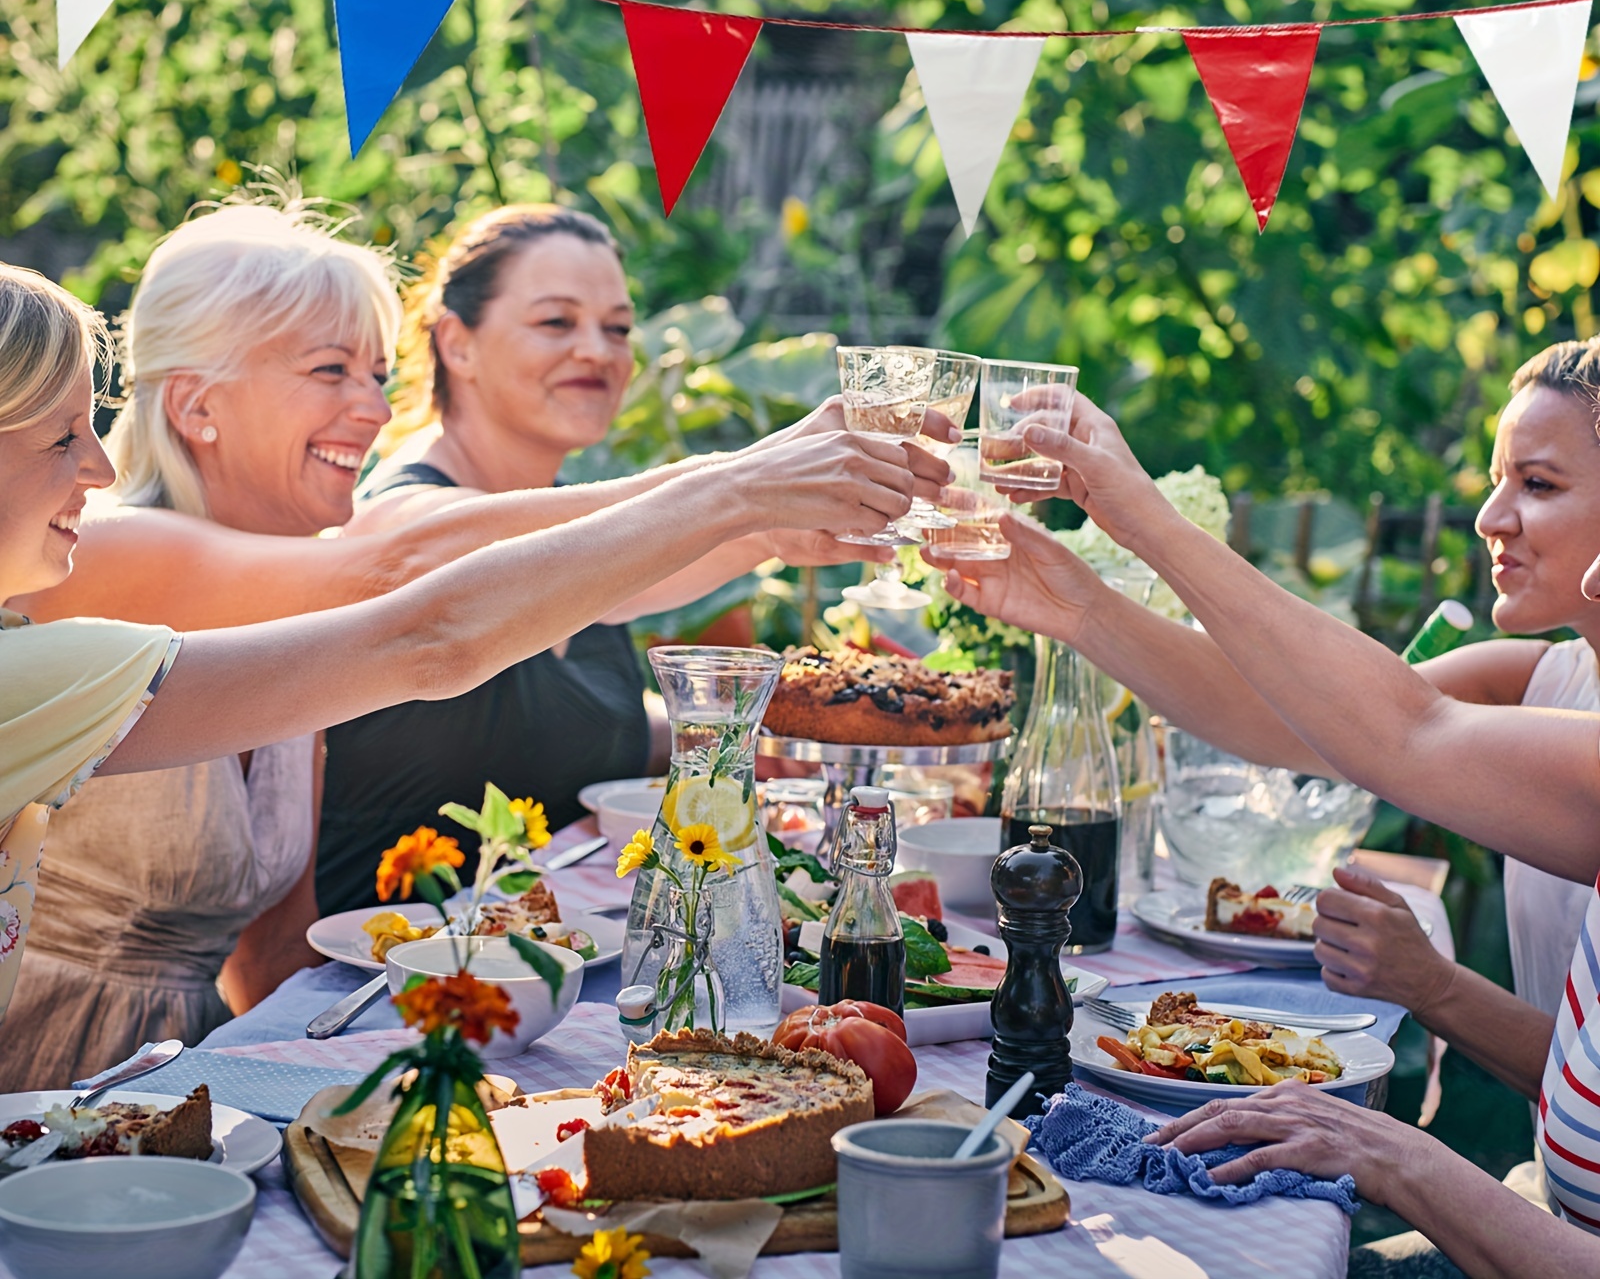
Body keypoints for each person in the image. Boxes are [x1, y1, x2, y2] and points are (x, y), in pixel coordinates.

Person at [0, 259, 938, 1046]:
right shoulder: (105, 557)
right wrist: (744, 488)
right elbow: (416, 606)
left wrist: (764, 521)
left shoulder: (281, 604)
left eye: (377, 373)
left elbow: (276, 959)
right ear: (198, 404)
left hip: (171, 1073)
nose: (374, 410)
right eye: (332, 371)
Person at [925, 388, 1600, 1275]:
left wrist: (1148, 523)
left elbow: (1403, 732)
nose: (1488, 517)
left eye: (1541, 482)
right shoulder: (1545, 677)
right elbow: (1315, 720)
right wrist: (1081, 607)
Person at [318, 206, 862, 911]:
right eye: (556, 322)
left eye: (617, 328)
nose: (598, 352)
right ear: (457, 343)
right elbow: (450, 558)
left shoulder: (597, 526)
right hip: (375, 985)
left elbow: (573, 720)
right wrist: (755, 483)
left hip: (552, 972)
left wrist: (808, 732)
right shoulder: (398, 513)